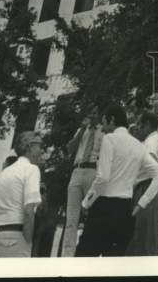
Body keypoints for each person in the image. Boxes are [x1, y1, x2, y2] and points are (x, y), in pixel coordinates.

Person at [76, 103, 158, 257]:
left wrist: (86, 202)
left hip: (104, 208)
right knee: (113, 267)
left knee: (84, 261)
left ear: (111, 120)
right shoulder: (138, 146)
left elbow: (103, 177)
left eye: (103, 122)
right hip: (125, 210)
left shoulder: (109, 139)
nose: (103, 127)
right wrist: (141, 203)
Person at [0, 130, 44, 258]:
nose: (42, 151)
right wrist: (27, 243)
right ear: (30, 147)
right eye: (40, 146)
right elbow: (28, 211)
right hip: (14, 239)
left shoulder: (2, 174)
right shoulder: (31, 169)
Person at [128, 110, 158, 256]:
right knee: (149, 237)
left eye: (139, 124)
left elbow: (152, 167)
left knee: (147, 241)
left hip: (149, 188)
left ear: (147, 125)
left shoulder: (151, 141)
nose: (137, 128)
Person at [61, 108, 103, 257]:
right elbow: (70, 148)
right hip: (77, 171)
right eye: (89, 113)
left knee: (92, 215)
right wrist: (82, 129)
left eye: (94, 113)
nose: (91, 115)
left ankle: (90, 252)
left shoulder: (104, 131)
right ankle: (68, 254)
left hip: (93, 171)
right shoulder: (82, 130)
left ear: (99, 114)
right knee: (71, 218)